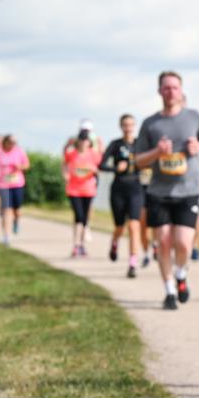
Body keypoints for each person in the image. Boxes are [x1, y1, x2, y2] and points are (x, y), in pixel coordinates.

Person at [134, 71, 199, 310]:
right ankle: (169, 291)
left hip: (188, 191)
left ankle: (181, 274)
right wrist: (157, 153)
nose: (170, 92)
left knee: (184, 243)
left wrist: (198, 146)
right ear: (159, 91)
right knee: (163, 241)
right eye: (166, 88)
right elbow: (138, 161)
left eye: (174, 87)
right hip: (159, 192)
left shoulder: (194, 117)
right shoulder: (150, 123)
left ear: (181, 90)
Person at [100, 114, 147, 277]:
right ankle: (114, 242)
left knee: (134, 226)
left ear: (134, 126)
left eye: (131, 125)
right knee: (120, 227)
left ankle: (132, 264)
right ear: (121, 126)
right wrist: (115, 168)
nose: (128, 128)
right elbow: (101, 165)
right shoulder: (115, 144)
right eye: (125, 125)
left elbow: (149, 161)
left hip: (135, 188)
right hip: (118, 188)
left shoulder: (140, 144)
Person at [63, 129, 103, 257]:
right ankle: (76, 245)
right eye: (81, 140)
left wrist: (94, 169)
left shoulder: (93, 154)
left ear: (88, 142)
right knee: (78, 216)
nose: (83, 142)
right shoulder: (72, 154)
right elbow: (64, 162)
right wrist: (65, 174)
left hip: (89, 189)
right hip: (74, 190)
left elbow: (100, 167)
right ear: (78, 141)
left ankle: (81, 245)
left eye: (85, 140)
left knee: (84, 218)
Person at [0, 134, 30, 245]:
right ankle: (6, 236)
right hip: (3, 185)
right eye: (11, 142)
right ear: (5, 142)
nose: (13, 145)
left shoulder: (19, 151)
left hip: (17, 184)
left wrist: (20, 167)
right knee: (6, 210)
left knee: (17, 211)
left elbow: (27, 165)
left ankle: (16, 221)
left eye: (14, 143)